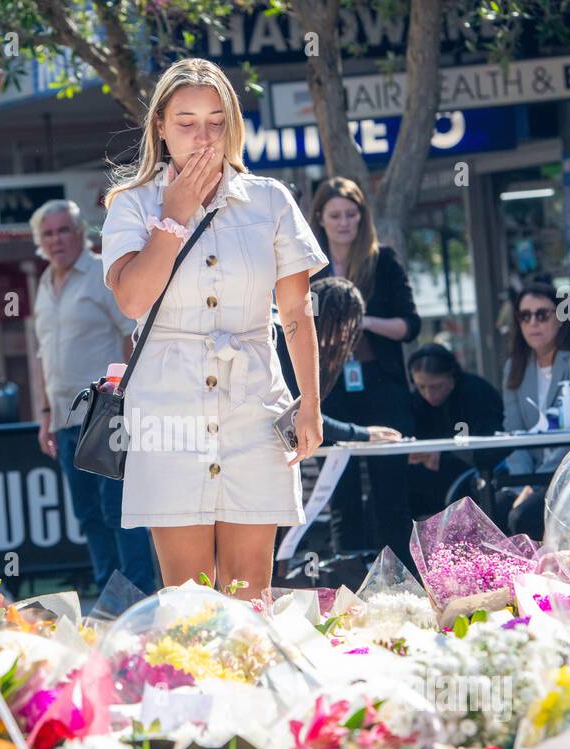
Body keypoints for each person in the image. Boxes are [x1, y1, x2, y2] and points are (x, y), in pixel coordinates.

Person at [100, 57, 328, 600]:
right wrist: (172, 216)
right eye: (185, 122)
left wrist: (311, 402)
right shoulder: (131, 204)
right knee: (190, 601)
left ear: (232, 125)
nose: (202, 136)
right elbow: (132, 298)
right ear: (159, 125)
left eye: (215, 121)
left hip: (255, 403)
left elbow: (296, 313)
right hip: (167, 410)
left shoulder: (270, 199)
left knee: (252, 595)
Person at [31, 199, 158, 594]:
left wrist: (125, 402)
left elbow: (130, 336)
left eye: (63, 230)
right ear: (40, 241)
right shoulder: (43, 283)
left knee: (116, 508)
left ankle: (136, 594)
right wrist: (45, 414)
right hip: (66, 420)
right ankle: (109, 593)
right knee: (87, 513)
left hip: (107, 413)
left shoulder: (102, 272)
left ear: (80, 233)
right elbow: (42, 354)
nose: (57, 240)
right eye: (48, 233)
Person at [308, 176, 421, 572]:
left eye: (351, 215)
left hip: (381, 383)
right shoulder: (306, 265)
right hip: (331, 386)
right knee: (341, 492)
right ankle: (349, 578)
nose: (343, 223)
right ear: (319, 218)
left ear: (362, 217)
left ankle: (402, 577)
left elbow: (410, 325)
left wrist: (361, 321)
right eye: (335, 215)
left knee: (391, 490)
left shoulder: (382, 260)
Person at [498, 281, 570, 538]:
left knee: (523, 516)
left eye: (542, 314)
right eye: (525, 316)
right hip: (527, 476)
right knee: (493, 508)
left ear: (561, 318)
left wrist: (535, 485)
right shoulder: (513, 367)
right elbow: (514, 433)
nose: (533, 323)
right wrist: (523, 482)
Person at [273, 277, 403, 445]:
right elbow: (301, 413)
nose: (344, 335)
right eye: (341, 324)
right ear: (323, 316)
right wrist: (362, 434)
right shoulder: (284, 339)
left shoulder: (297, 339)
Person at [406, 343, 504, 518]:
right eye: (422, 387)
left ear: (452, 378)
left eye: (436, 386)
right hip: (432, 480)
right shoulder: (416, 401)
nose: (429, 394)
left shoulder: (475, 393)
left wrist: (444, 455)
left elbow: (488, 446)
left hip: (475, 476)